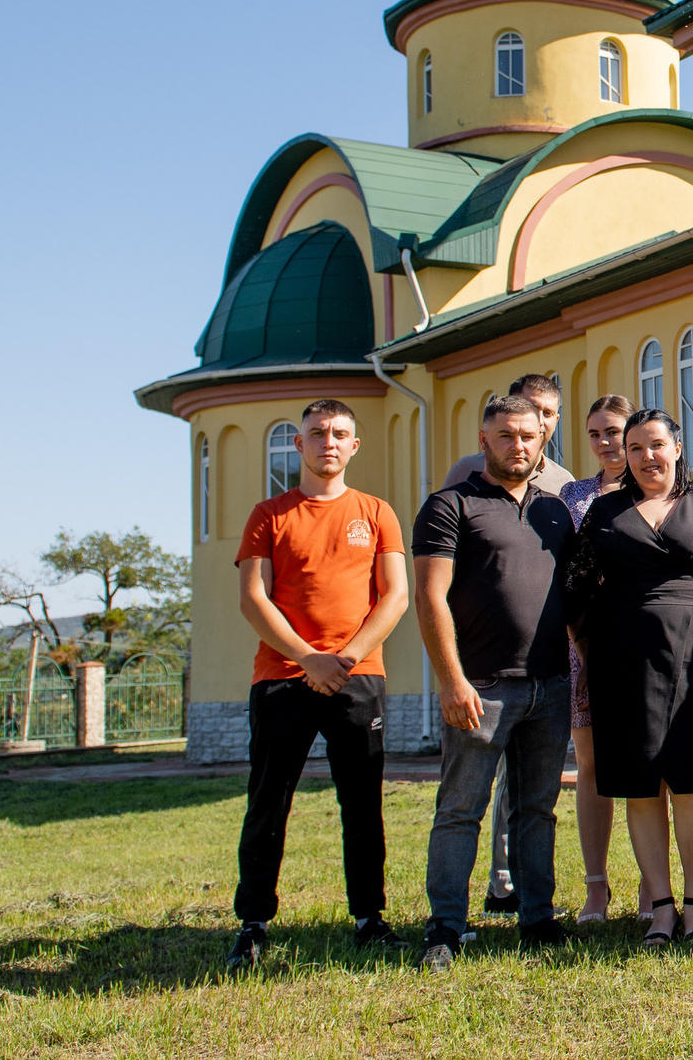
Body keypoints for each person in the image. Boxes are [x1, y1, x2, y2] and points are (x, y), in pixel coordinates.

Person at [225, 398, 411, 971]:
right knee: (268, 800)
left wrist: (346, 658)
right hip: (282, 677)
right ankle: (253, 925)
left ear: (355, 446)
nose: (328, 441)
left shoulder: (376, 512)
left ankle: (370, 919)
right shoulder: (269, 514)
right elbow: (254, 598)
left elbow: (396, 596)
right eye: (317, 433)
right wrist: (309, 658)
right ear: (299, 445)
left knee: (362, 802)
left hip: (358, 678)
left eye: (340, 433)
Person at [568, 409, 693, 945]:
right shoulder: (603, 512)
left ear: (677, 448)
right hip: (621, 665)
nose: (647, 457)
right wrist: (589, 656)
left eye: (656, 445)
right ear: (624, 457)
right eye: (635, 448)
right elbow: (576, 592)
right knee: (641, 788)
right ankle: (662, 908)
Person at [410, 394, 576, 968]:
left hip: (550, 684)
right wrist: (452, 680)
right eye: (506, 435)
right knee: (461, 808)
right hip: (481, 687)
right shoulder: (449, 505)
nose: (519, 445)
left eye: (528, 436)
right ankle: (445, 928)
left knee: (537, 809)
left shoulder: (557, 510)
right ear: (485, 440)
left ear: (541, 440)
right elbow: (429, 598)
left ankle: (538, 920)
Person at [557, 393, 630, 924]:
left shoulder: (662, 489)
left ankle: (659, 886)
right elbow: (563, 575)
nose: (607, 443)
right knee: (591, 765)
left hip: (649, 643)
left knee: (658, 767)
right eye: (597, 434)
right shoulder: (572, 495)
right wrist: (580, 641)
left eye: (615, 432)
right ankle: (596, 888)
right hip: (584, 644)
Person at [444, 372, 577, 496]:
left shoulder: (564, 482)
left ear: (557, 420)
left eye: (548, 413)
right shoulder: (466, 469)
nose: (539, 421)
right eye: (531, 409)